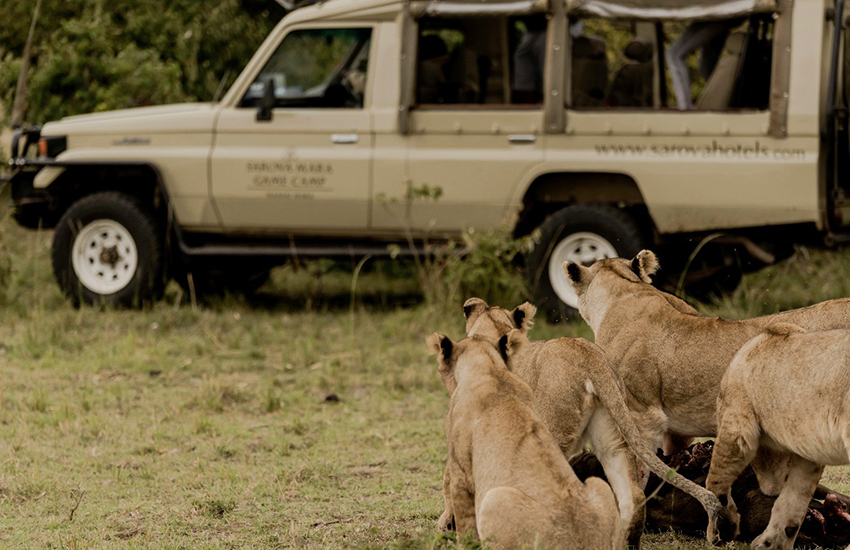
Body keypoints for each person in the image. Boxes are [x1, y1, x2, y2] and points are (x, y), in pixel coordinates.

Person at [666, 18, 744, 110]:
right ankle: (713, 102)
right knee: (706, 69)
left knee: (674, 55)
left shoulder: (731, 62)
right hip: (721, 16)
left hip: (715, 15)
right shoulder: (730, 63)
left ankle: (685, 108)